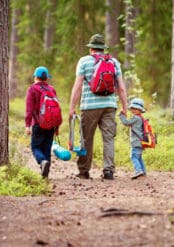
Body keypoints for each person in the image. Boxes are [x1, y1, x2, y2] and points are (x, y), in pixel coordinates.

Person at [69, 34, 128, 180]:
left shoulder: (84, 61)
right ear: (103, 48)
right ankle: (108, 171)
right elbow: (121, 88)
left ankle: (84, 171)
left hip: (89, 106)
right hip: (110, 105)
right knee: (108, 139)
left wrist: (72, 107)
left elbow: (77, 86)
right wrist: (125, 107)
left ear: (91, 49)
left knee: (86, 139)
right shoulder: (113, 62)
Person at [25, 66, 58, 178]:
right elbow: (56, 109)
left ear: (35, 77)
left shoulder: (32, 89)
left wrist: (27, 125)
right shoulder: (52, 89)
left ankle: (42, 162)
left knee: (35, 147)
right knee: (47, 148)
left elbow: (29, 110)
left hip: (38, 124)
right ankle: (45, 175)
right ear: (46, 78)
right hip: (51, 125)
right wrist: (56, 127)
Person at [119, 98, 147, 179]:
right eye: (133, 108)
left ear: (140, 110)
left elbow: (126, 123)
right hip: (141, 142)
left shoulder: (136, 118)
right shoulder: (141, 118)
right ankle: (143, 172)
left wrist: (121, 115)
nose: (134, 110)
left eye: (137, 109)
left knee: (133, 156)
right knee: (139, 157)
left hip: (136, 141)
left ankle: (138, 171)